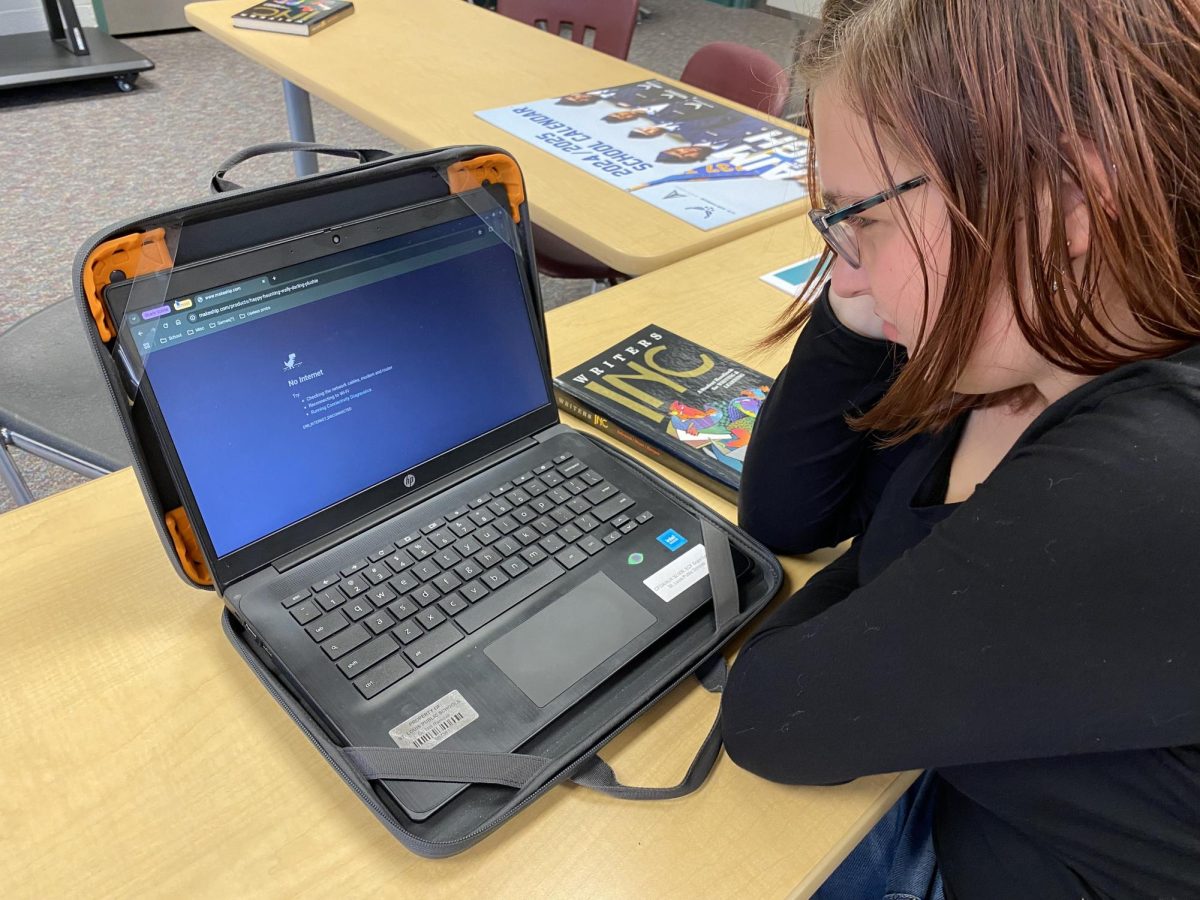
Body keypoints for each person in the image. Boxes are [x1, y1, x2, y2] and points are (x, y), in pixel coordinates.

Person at [719, 1, 1200, 898]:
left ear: (1066, 203)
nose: (842, 265)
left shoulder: (1151, 474)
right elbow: (789, 516)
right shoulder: (1040, 339)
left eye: (860, 217)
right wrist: (859, 296)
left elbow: (775, 713)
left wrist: (881, 582)